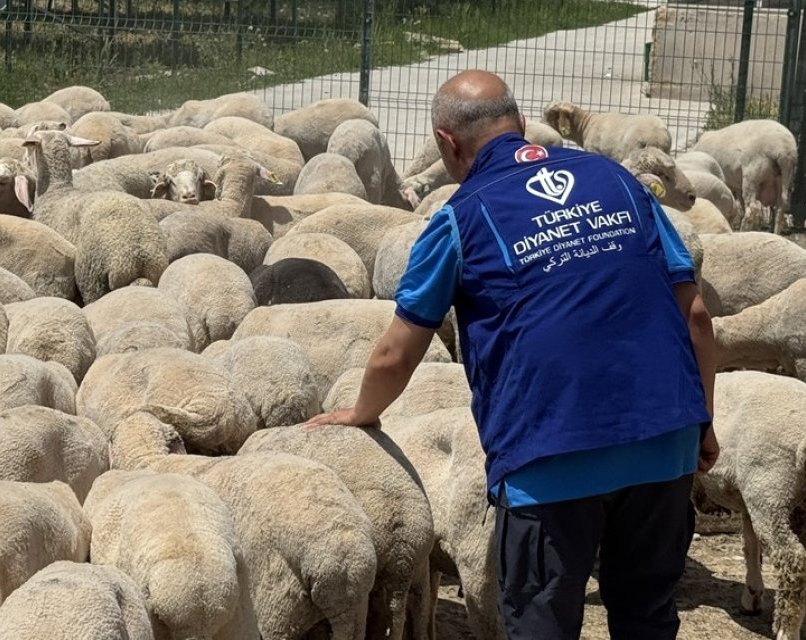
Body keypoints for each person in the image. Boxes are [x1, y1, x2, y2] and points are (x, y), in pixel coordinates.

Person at [304, 70, 719, 640]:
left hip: (549, 451)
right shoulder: (617, 180)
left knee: (541, 625)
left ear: (447, 145)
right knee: (646, 617)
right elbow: (695, 315)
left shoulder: (458, 217)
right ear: (521, 123)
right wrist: (704, 421)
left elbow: (394, 356)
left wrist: (360, 412)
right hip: (664, 437)